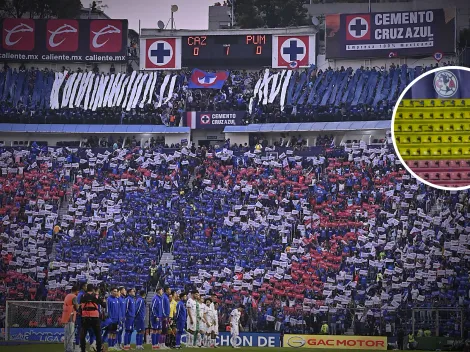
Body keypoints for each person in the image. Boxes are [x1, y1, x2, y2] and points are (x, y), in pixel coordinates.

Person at [79, 284, 105, 352]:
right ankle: (98, 349)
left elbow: (80, 306)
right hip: (95, 317)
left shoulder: (83, 296)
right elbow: (104, 305)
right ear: (93, 289)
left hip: (85, 317)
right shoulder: (96, 296)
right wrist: (103, 301)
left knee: (83, 335)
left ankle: (83, 349)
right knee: (98, 335)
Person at [61, 285, 79, 352]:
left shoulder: (67, 295)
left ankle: (66, 349)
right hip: (70, 317)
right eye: (78, 291)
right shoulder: (74, 296)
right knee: (71, 335)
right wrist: (79, 305)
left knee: (66, 335)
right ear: (76, 291)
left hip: (66, 316)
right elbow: (76, 307)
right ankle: (70, 350)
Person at [75, 282, 87, 349]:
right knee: (80, 331)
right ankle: (77, 347)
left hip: (82, 315)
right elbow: (78, 305)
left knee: (82, 331)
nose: (87, 287)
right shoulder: (81, 294)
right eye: (86, 286)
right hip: (80, 315)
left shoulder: (82, 294)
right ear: (83, 287)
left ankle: (80, 347)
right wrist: (79, 312)